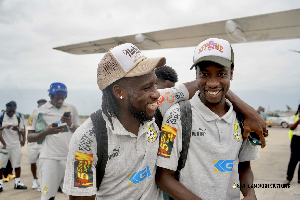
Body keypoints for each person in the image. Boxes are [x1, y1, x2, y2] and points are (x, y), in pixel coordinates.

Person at [62, 43, 267, 200]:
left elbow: (207, 84)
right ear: (119, 92)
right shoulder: (88, 140)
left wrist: (248, 111)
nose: (156, 94)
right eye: (146, 88)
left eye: (154, 84)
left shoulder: (157, 102)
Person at [156, 38, 263, 200]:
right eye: (205, 74)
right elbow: (163, 176)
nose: (212, 83)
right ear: (196, 75)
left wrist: (250, 193)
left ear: (231, 73)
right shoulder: (176, 115)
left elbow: (244, 167)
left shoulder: (243, 119)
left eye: (221, 74)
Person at [27, 82, 81, 200]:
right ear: (50, 96)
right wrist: (46, 132)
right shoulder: (38, 112)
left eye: (62, 98)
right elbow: (29, 137)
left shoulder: (71, 108)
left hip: (70, 157)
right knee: (48, 195)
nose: (60, 101)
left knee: (77, 194)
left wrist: (69, 123)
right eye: (57, 98)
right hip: (49, 158)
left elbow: (79, 132)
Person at [0, 101, 27, 192]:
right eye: (10, 111)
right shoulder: (1, 117)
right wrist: (4, 127)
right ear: (6, 109)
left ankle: (17, 183)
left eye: (13, 111)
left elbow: (23, 131)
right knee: (1, 165)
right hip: (4, 146)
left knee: (17, 165)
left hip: (16, 145)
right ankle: (0, 185)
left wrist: (18, 129)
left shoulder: (18, 118)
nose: (11, 113)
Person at [25, 99, 47, 190]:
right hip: (33, 142)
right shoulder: (33, 115)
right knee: (32, 162)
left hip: (45, 142)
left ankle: (42, 182)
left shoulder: (50, 115)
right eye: (39, 106)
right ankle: (35, 180)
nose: (41, 107)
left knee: (44, 163)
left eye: (43, 106)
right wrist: (28, 139)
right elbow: (29, 128)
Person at [285, 104, 300, 184]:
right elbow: (291, 127)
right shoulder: (293, 117)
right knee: (293, 159)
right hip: (296, 140)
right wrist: (298, 121)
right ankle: (289, 178)